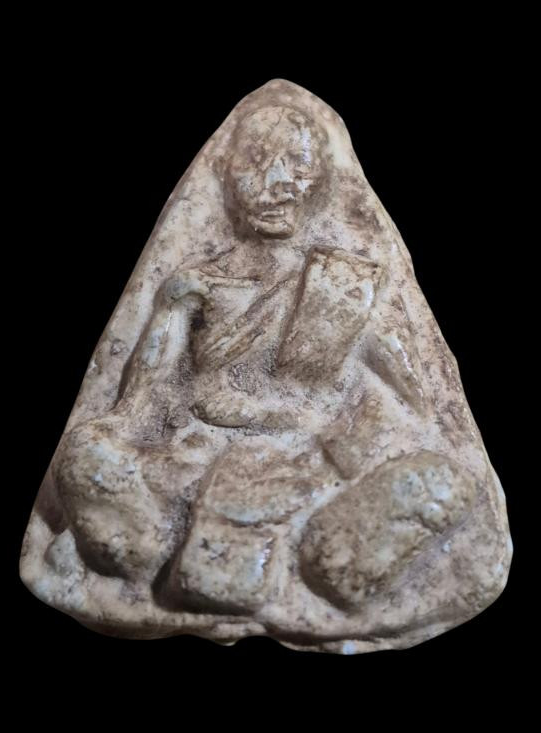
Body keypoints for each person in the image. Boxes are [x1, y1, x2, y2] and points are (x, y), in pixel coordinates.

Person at [52, 105, 474, 613]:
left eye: (297, 165)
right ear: (226, 176)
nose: (275, 182)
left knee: (443, 480)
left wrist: (329, 430)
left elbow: (420, 411)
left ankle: (317, 568)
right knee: (85, 452)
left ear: (321, 181)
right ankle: (165, 562)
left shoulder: (346, 284)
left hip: (319, 470)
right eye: (255, 161)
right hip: (192, 464)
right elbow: (138, 407)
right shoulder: (193, 285)